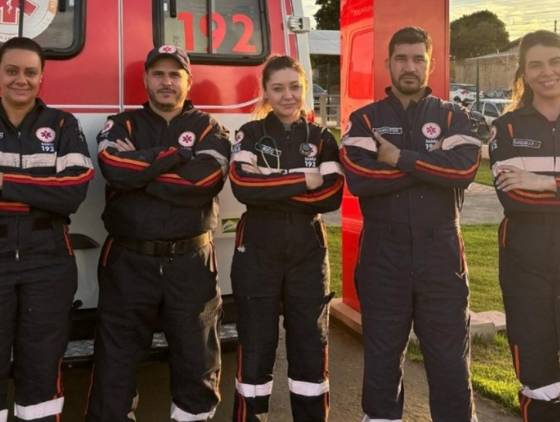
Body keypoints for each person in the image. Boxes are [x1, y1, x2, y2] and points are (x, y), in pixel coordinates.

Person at [340, 26, 481, 422]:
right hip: (383, 259)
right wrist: (431, 166)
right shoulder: (365, 120)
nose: (410, 66)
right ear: (388, 63)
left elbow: (466, 168)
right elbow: (360, 178)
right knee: (383, 366)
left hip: (442, 259)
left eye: (418, 58)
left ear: (431, 64)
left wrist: (400, 158)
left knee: (451, 365)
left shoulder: (455, 116)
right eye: (401, 58)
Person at [85, 45, 230, 422]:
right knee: (115, 369)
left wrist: (142, 170)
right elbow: (114, 168)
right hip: (128, 262)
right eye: (159, 74)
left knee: (197, 367)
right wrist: (174, 157)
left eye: (174, 74)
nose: (167, 82)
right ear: (146, 79)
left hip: (191, 263)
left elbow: (206, 181)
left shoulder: (209, 127)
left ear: (188, 81)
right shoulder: (122, 124)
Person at [229, 55, 343, 421]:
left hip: (308, 254)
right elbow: (243, 185)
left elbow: (331, 196)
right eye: (277, 88)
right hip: (257, 253)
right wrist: (302, 180)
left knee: (310, 350)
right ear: (265, 92)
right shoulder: (249, 133)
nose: (287, 95)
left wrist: (270, 182)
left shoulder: (322, 137)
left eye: (295, 87)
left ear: (304, 89)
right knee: (256, 350)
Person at [0, 37, 93, 421]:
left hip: (49, 260)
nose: (21, 79)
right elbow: (56, 191)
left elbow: (72, 193)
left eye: (30, 72)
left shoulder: (62, 123)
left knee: (41, 368)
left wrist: (4, 184)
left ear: (42, 77)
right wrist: (41, 189)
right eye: (11, 71)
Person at [489, 30, 560, 422]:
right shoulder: (508, 127)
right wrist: (531, 190)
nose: (547, 71)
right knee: (537, 371)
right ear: (524, 72)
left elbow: (531, 192)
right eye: (536, 64)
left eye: (555, 61)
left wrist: (547, 183)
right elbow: (512, 198)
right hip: (524, 266)